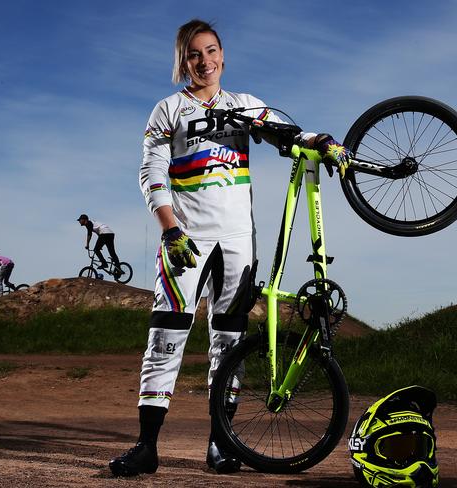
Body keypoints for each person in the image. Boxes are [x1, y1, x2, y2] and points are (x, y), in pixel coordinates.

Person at [109, 19, 351, 477]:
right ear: (183, 62)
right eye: (195, 54)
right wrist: (169, 229)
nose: (205, 61)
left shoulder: (243, 106)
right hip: (187, 239)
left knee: (230, 341)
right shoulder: (167, 110)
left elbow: (289, 132)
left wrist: (324, 141)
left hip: (238, 240)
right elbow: (151, 174)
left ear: (224, 55)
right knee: (166, 339)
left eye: (212, 50)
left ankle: (221, 445)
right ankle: (146, 447)